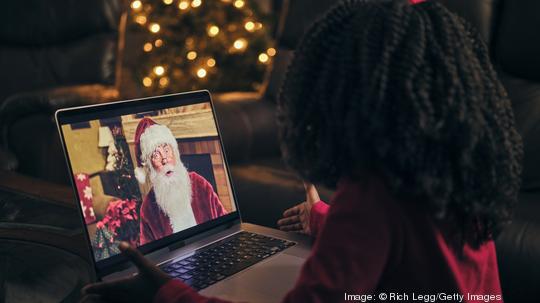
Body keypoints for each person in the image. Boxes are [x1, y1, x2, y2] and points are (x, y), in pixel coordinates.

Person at [81, 0, 523, 302]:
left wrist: (163, 292)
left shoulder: (373, 193)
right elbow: (413, 253)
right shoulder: (455, 169)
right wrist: (325, 218)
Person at [133, 117, 228, 245]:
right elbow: (152, 256)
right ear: (150, 166)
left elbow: (226, 224)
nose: (165, 159)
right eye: (156, 155)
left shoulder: (199, 183)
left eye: (167, 150)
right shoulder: (148, 208)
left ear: (175, 153)